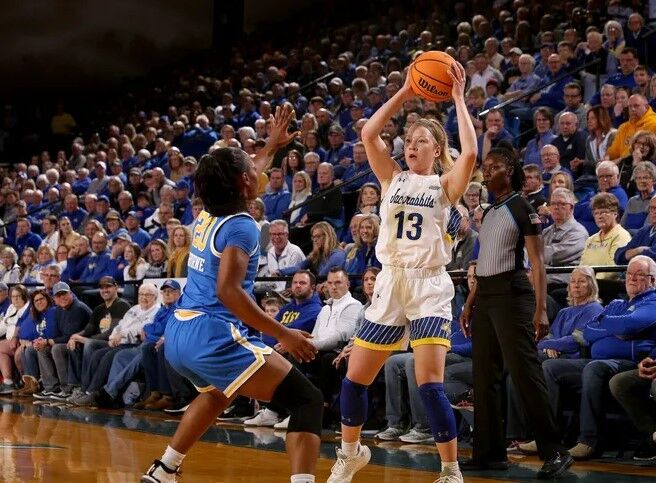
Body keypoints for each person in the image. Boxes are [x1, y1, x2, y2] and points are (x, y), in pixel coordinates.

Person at [141, 105, 323, 483]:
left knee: (217, 394)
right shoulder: (241, 227)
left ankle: (164, 469)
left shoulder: (208, 211)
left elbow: (246, 167)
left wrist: (271, 143)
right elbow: (229, 292)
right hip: (212, 335)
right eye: (252, 169)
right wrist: (283, 333)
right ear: (244, 182)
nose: (259, 167)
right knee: (307, 400)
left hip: (181, 333)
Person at [328, 61, 476, 483]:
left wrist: (459, 100)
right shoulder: (391, 178)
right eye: (409, 140)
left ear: (436, 149)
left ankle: (450, 470)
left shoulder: (446, 186)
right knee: (354, 380)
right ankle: (351, 454)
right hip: (390, 281)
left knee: (429, 383)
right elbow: (369, 133)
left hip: (429, 284)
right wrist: (406, 92)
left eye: (421, 141)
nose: (411, 145)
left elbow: (470, 153)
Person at [461, 145, 574, 479]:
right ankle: (489, 454)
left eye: (494, 166)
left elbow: (538, 263)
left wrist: (541, 310)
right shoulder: (491, 210)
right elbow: (485, 261)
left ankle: (555, 451)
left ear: (509, 170)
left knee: (525, 374)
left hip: (514, 294)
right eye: (486, 166)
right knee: (483, 378)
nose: (487, 172)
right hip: (486, 297)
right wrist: (469, 303)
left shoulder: (522, 206)